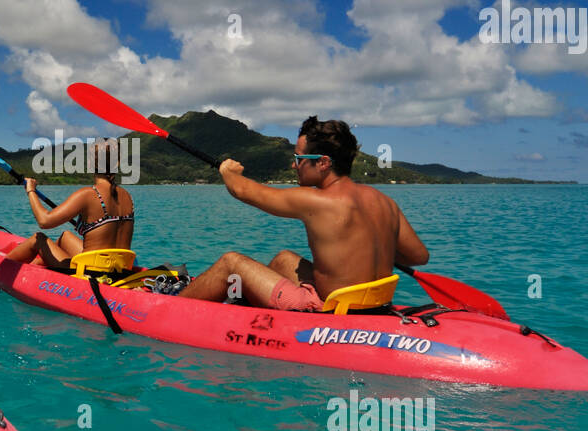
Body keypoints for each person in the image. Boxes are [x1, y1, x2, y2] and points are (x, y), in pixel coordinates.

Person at [179, 116, 429, 310]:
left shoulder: (316, 200)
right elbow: (418, 256)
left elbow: (244, 191)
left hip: (328, 309)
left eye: (298, 158)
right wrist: (370, 249)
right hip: (374, 304)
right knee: (284, 259)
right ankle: (250, 308)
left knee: (231, 263)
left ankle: (170, 306)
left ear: (323, 163)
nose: (293, 164)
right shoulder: (385, 202)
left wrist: (228, 172)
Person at [4, 138, 134, 269]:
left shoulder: (88, 194)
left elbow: (44, 221)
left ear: (90, 163)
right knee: (65, 237)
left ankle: (1, 268)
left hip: (91, 274)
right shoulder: (127, 197)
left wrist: (31, 190)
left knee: (38, 239)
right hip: (119, 270)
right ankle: (39, 265)